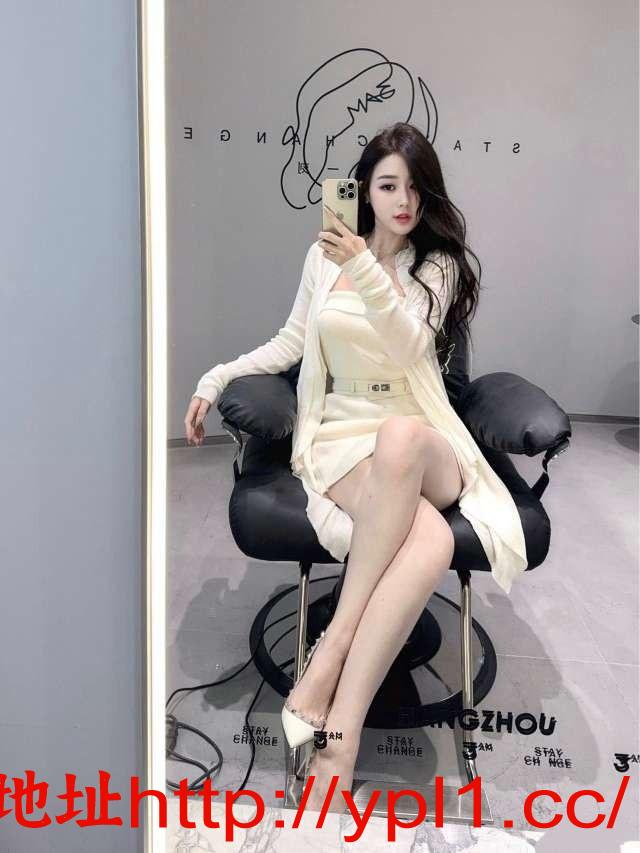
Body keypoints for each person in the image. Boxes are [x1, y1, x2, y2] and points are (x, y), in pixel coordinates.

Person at [184, 122, 527, 814]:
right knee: (430, 541)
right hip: (341, 436)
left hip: (422, 439)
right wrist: (216, 377)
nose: (403, 201)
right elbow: (291, 340)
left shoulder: (438, 266)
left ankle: (331, 650)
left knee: (399, 436)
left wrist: (366, 268)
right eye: (388, 185)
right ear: (364, 191)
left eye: (415, 187)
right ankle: (340, 737)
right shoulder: (324, 258)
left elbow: (407, 349)